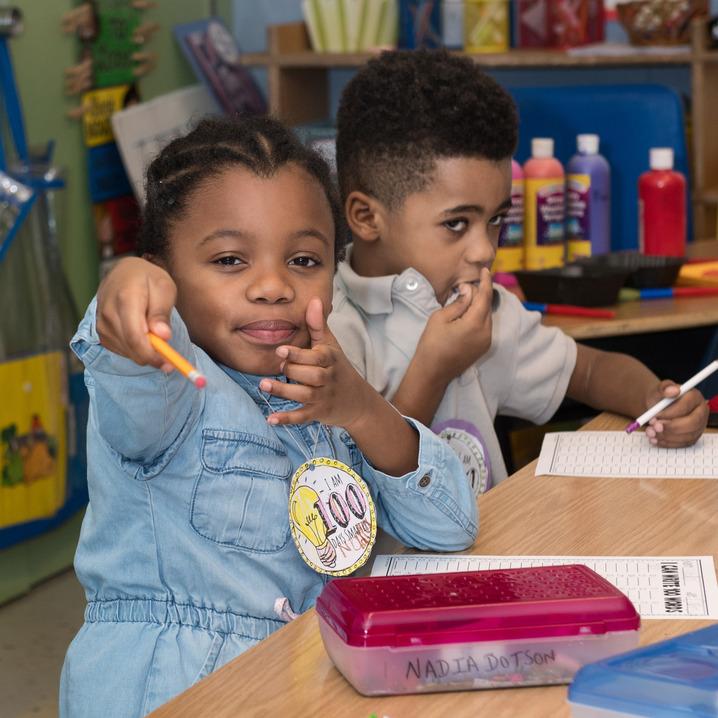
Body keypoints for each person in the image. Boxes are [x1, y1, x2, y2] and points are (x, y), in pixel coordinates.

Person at [60, 115, 476, 717]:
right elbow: (132, 349)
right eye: (230, 260)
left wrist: (360, 407)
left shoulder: (327, 398)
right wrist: (126, 286)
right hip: (173, 693)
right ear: (167, 274)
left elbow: (451, 526)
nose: (273, 285)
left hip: (302, 680)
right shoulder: (168, 388)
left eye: (305, 259)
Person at [328, 50, 709, 494]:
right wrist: (434, 369)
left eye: (496, 220)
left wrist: (654, 400)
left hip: (496, 549)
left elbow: (587, 371)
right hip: (395, 564)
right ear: (365, 217)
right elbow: (358, 495)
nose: (485, 249)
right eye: (456, 224)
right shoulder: (332, 329)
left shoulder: (481, 306)